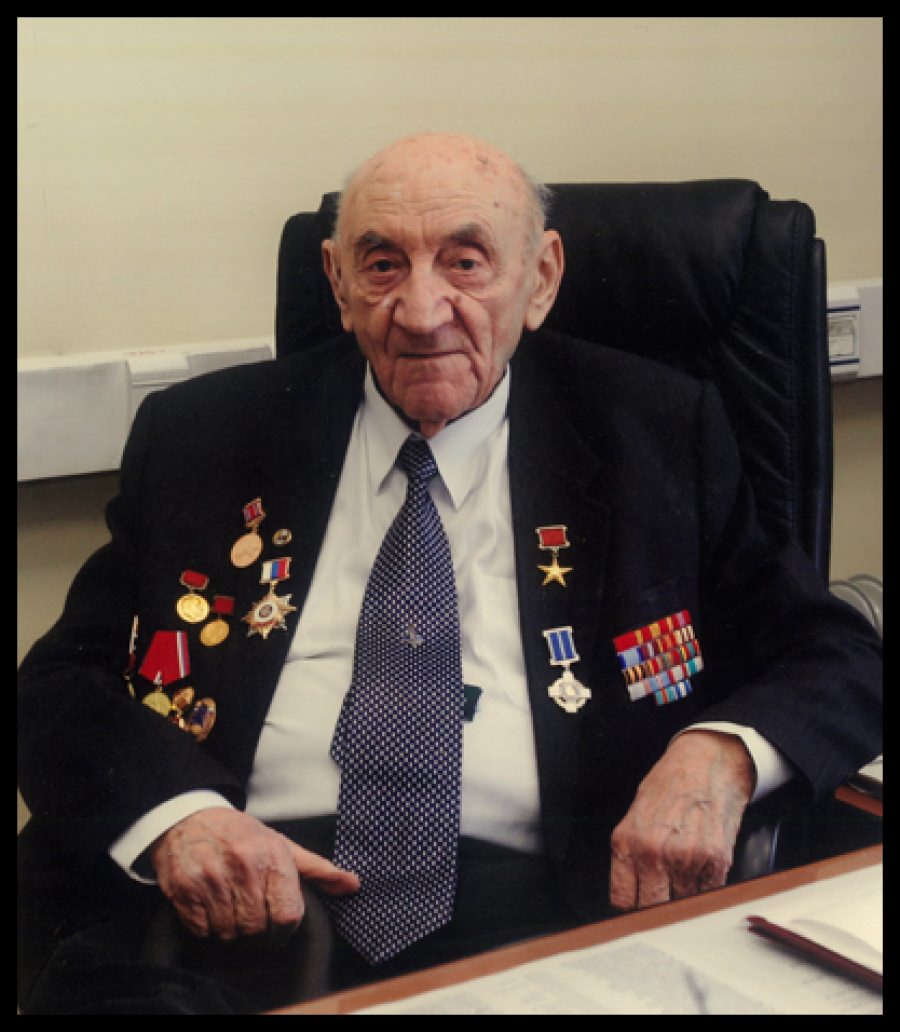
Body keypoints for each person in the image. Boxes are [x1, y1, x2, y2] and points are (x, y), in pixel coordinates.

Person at [17, 132, 882, 1015]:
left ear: (540, 279)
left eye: (466, 263)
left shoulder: (655, 432)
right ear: (337, 282)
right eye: (382, 264)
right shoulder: (207, 435)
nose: (422, 311)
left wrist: (719, 758)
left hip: (546, 912)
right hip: (228, 909)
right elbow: (59, 682)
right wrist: (179, 818)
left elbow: (835, 654)